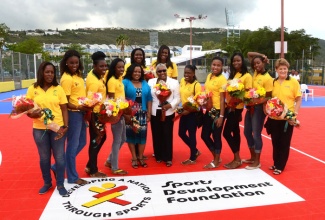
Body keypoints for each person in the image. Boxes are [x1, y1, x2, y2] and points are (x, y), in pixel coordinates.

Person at [26, 61, 69, 196]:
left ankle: (60, 184)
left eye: (52, 72)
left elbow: (64, 108)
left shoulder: (59, 88)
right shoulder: (33, 89)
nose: (50, 75)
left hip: (57, 128)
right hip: (39, 128)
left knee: (60, 158)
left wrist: (65, 126)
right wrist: (32, 114)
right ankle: (47, 182)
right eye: (47, 72)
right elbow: (27, 109)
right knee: (44, 158)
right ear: (41, 73)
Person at [57, 50, 88, 185]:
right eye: (71, 63)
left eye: (76, 62)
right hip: (73, 113)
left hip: (80, 112)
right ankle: (72, 177)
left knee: (82, 142)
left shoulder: (78, 76)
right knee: (73, 145)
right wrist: (78, 107)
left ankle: (58, 165)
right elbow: (65, 102)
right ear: (66, 63)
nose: (74, 65)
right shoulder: (66, 79)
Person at [267, 58, 302, 175]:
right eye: (280, 68)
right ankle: (276, 162)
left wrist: (294, 115)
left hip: (287, 118)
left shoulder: (293, 82)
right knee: (275, 142)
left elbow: (298, 98)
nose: (283, 70)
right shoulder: (273, 82)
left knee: (284, 143)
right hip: (274, 118)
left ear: (287, 69)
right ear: (276, 69)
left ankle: (280, 166)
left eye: (285, 68)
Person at [243, 52, 273, 169]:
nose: (256, 65)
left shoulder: (268, 78)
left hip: (259, 109)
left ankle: (257, 161)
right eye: (255, 64)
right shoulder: (255, 73)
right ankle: (252, 156)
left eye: (258, 63)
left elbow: (268, 96)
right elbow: (249, 54)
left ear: (263, 63)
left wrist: (256, 102)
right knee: (246, 132)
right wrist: (262, 55)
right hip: (250, 107)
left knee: (256, 134)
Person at [223, 52, 252, 169]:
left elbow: (248, 94)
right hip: (230, 107)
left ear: (242, 61)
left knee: (226, 133)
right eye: (234, 61)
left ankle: (237, 158)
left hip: (236, 109)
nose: (236, 63)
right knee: (235, 133)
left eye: (238, 60)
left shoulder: (247, 76)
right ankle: (237, 158)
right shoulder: (234, 75)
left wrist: (235, 103)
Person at [148, 63, 180, 167]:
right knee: (156, 134)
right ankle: (158, 155)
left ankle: (168, 158)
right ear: (156, 73)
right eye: (159, 71)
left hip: (168, 111)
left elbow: (177, 98)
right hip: (154, 111)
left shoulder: (174, 82)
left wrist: (170, 105)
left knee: (167, 134)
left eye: (164, 70)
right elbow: (150, 97)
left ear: (166, 71)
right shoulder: (151, 82)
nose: (162, 73)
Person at [123, 63, 152, 168]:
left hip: (142, 113)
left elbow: (149, 98)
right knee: (131, 136)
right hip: (130, 113)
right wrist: (126, 112)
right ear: (131, 72)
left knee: (142, 136)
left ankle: (140, 157)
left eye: (139, 72)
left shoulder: (144, 83)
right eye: (135, 71)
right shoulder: (125, 82)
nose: (137, 73)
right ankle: (134, 158)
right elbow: (122, 97)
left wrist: (149, 112)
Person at [85, 51, 108, 177]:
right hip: (95, 114)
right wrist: (91, 117)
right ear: (94, 66)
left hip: (100, 113)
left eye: (105, 66)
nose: (104, 68)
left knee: (101, 138)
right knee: (96, 140)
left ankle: (90, 165)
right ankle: (93, 170)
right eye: (101, 66)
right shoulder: (94, 81)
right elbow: (90, 101)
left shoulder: (97, 75)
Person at [201, 57, 227, 169]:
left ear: (222, 67)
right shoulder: (209, 76)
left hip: (217, 111)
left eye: (218, 65)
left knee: (216, 136)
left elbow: (222, 99)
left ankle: (216, 160)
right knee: (204, 135)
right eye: (213, 64)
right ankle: (216, 156)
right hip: (208, 110)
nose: (215, 67)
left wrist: (221, 116)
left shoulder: (222, 80)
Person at [105, 58, 128, 175]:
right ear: (114, 68)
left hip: (121, 113)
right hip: (116, 114)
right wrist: (117, 113)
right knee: (117, 140)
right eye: (119, 67)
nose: (121, 69)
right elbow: (112, 100)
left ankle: (109, 160)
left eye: (122, 67)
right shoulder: (112, 81)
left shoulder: (119, 79)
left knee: (123, 139)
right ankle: (115, 167)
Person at [178, 64, 202, 165]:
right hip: (184, 112)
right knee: (181, 133)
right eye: (185, 72)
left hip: (193, 113)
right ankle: (195, 150)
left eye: (189, 73)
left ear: (193, 74)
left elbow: (198, 101)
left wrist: (189, 110)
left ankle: (192, 158)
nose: (186, 74)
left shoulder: (197, 85)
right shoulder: (183, 81)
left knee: (192, 135)